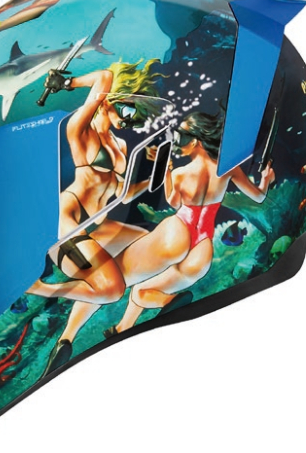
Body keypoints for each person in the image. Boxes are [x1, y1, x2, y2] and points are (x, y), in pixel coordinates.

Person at [26, 60, 163, 373]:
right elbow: (104, 76)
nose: (129, 119)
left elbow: (122, 194)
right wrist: (68, 84)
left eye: (134, 115)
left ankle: (68, 339)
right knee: (112, 290)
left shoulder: (119, 144)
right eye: (126, 109)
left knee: (146, 240)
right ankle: (39, 288)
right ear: (109, 100)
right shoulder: (81, 132)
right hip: (67, 225)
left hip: (96, 225)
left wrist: (156, 173)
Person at [104, 111, 275, 335]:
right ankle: (123, 328)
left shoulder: (181, 174)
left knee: (139, 291)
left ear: (195, 141)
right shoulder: (227, 167)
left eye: (181, 136)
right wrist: (266, 180)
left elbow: (174, 202)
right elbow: (259, 197)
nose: (177, 142)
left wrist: (167, 172)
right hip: (202, 247)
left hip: (179, 232)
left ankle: (167, 303)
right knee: (142, 290)